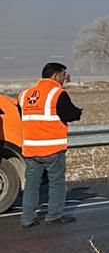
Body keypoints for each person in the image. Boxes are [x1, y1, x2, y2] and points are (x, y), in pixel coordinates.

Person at [17, 62, 81, 227]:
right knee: (56, 183)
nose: (65, 78)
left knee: (31, 185)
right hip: (52, 149)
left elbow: (23, 115)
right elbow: (69, 114)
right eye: (64, 75)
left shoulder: (25, 94)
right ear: (55, 76)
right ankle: (54, 216)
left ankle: (27, 219)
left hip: (31, 149)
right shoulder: (57, 93)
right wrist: (79, 112)